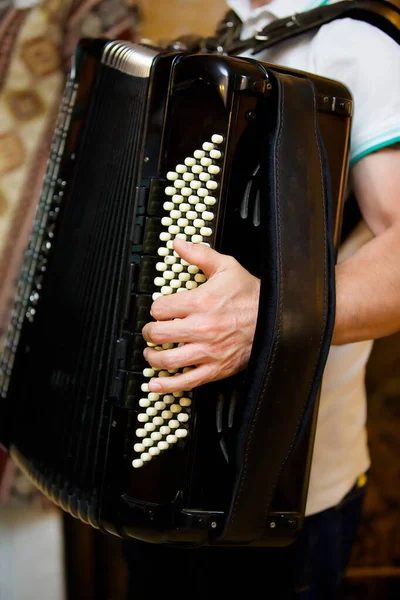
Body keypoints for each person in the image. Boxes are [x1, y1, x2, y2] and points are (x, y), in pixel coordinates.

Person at [124, 0, 400, 597]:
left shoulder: (355, 44)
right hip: (168, 465)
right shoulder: (235, 36)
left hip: (279, 492)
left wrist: (267, 315)